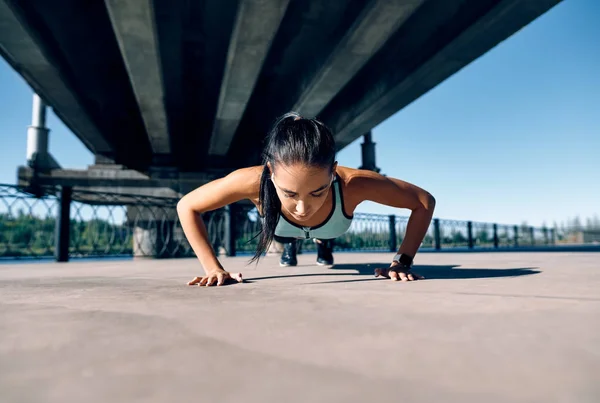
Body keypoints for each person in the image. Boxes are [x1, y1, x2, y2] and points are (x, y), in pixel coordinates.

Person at [177, 112, 436, 286]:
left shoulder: (354, 184)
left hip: (330, 229)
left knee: (317, 230)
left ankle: (322, 242)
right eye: (289, 194)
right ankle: (292, 242)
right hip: (283, 230)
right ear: (270, 172)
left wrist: (402, 261)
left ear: (333, 171)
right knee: (286, 231)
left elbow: (424, 201)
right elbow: (187, 205)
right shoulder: (252, 181)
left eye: (318, 191)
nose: (303, 208)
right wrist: (213, 268)